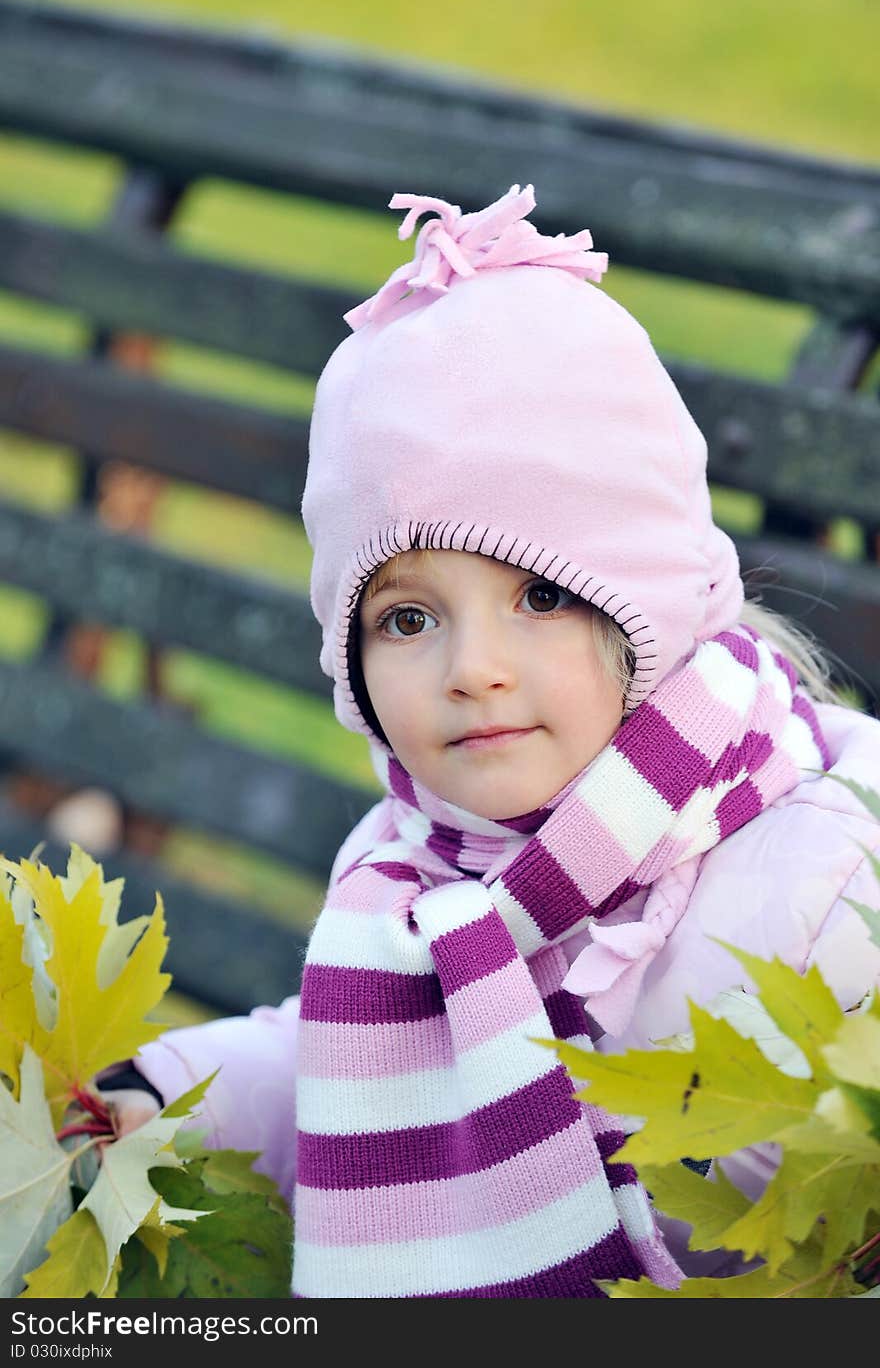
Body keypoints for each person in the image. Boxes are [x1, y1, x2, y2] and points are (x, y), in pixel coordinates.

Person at [95, 184, 880, 1297]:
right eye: (405, 618)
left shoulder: (837, 858)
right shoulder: (413, 868)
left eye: (543, 597)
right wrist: (167, 1090)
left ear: (646, 603)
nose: (471, 668)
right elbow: (355, 1070)